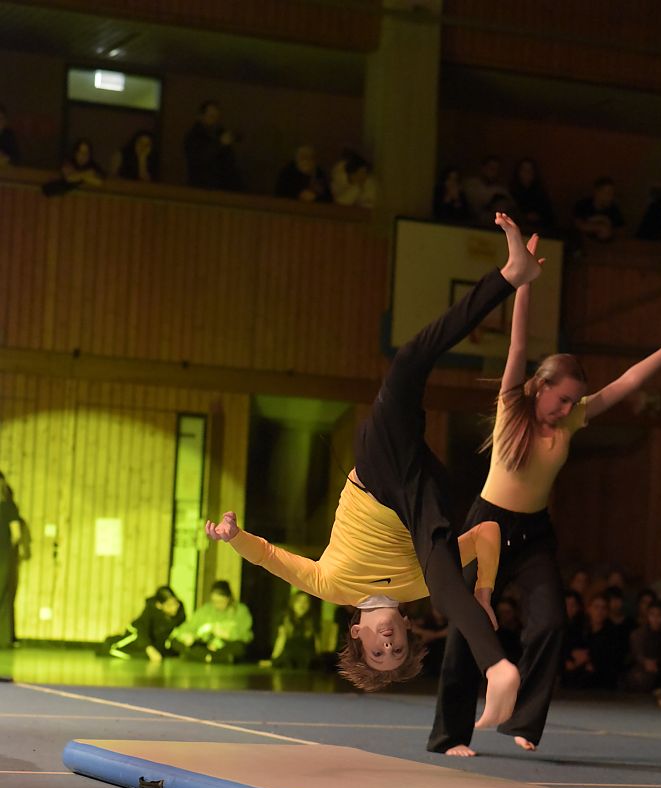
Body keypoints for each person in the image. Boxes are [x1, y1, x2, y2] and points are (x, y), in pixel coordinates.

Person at [207, 213, 544, 726]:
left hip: (382, 471)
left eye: (378, 651)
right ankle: (497, 666)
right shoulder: (417, 588)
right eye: (397, 649)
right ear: (407, 630)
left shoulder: (331, 584)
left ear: (356, 635)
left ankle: (510, 276)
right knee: (440, 574)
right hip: (422, 494)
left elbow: (271, 558)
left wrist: (234, 538)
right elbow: (488, 533)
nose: (388, 643)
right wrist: (483, 591)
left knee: (410, 360)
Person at [428, 271, 661, 754]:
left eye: (574, 401)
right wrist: (525, 283)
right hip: (486, 526)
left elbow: (629, 381)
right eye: (563, 398)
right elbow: (518, 344)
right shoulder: (512, 407)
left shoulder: (572, 420)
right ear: (541, 386)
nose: (568, 408)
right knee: (468, 628)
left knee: (550, 621)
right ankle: (450, 735)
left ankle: (524, 721)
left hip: (533, 533)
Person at [170, 579, 253, 663]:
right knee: (177, 643)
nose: (217, 605)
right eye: (214, 601)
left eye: (221, 601)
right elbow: (188, 626)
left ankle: (208, 657)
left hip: (226, 646)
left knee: (239, 648)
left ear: (228, 598)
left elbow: (247, 636)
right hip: (206, 646)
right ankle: (214, 658)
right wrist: (187, 635)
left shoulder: (240, 610)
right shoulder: (206, 609)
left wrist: (228, 635)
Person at [101, 586, 185, 662]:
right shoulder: (150, 611)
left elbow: (179, 628)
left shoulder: (180, 610)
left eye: (175, 603)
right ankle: (109, 642)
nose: (174, 607)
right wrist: (149, 648)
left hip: (152, 642)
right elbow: (141, 629)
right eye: (169, 605)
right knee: (112, 649)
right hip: (137, 635)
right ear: (159, 605)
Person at [184, 100, 241, 191]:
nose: (215, 120)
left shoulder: (220, 134)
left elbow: (229, 163)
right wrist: (220, 144)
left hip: (220, 186)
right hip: (200, 186)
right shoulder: (193, 137)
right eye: (211, 117)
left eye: (217, 117)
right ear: (201, 116)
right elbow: (199, 159)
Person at [623, 599, 661, 695]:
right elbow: (637, 653)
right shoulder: (638, 634)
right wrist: (645, 662)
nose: (655, 619)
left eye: (659, 615)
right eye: (652, 615)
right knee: (638, 677)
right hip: (640, 666)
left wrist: (657, 662)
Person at [267, 590, 318, 669]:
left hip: (306, 658)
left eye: (305, 602)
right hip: (289, 657)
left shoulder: (312, 621)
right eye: (299, 601)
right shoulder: (285, 619)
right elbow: (281, 639)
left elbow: (317, 642)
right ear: (293, 603)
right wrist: (273, 659)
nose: (302, 605)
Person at [0, 472, 21, 649]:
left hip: (3, 555)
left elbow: (17, 534)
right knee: (4, 595)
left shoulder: (9, 507)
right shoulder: (9, 507)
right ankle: (4, 638)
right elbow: (16, 534)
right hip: (4, 555)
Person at [509, 158, 555, 236]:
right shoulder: (511, 191)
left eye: (530, 170)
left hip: (537, 232)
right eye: (524, 170)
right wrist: (523, 217)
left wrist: (538, 217)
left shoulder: (541, 194)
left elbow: (549, 217)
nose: (527, 173)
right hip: (514, 231)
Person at [573, 177, 624, 242]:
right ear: (597, 192)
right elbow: (578, 225)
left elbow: (621, 230)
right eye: (607, 193)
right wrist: (600, 227)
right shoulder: (583, 205)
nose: (610, 196)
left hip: (607, 245)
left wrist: (610, 230)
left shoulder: (613, 208)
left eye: (612, 193)